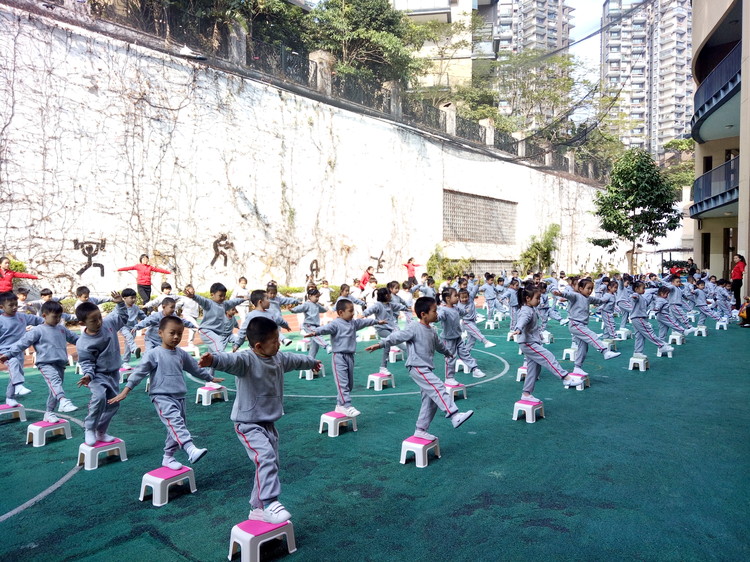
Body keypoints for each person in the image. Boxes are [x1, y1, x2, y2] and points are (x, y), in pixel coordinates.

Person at [199, 316, 321, 524]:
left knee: (270, 463)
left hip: (268, 424)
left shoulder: (278, 358)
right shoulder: (246, 361)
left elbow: (295, 359)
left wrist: (311, 363)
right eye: (274, 341)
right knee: (265, 458)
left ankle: (258, 508)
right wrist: (213, 361)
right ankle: (270, 502)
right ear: (258, 346)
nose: (278, 344)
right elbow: (229, 360)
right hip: (248, 424)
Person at [108, 316, 223, 469]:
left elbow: (195, 368)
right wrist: (125, 391)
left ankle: (168, 457)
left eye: (179, 333)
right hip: (161, 396)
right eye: (172, 333)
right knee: (175, 422)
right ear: (160, 333)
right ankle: (190, 448)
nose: (176, 337)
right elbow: (138, 373)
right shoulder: (153, 354)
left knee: (175, 427)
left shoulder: (181, 353)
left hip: (179, 396)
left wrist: (210, 378)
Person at [365, 297, 473, 441]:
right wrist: (380, 344)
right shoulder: (414, 327)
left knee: (430, 401)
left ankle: (420, 429)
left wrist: (447, 352)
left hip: (426, 368)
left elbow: (439, 345)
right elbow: (397, 337)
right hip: (417, 366)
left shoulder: (432, 330)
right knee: (438, 387)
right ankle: (454, 415)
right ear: (423, 314)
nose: (437, 314)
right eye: (434, 311)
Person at [0, 300, 79, 418]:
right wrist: (9, 354)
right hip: (45, 363)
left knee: (54, 388)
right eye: (55, 317)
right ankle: (63, 400)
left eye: (59, 317)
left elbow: (76, 339)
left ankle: (49, 413)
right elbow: (22, 343)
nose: (58, 319)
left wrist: (90, 342)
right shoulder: (37, 330)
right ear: (44, 315)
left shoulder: (62, 329)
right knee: (55, 382)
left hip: (60, 363)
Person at [307, 299, 385, 417]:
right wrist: (315, 332)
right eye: (351, 311)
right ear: (341, 312)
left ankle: (340, 405)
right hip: (339, 357)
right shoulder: (335, 324)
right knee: (342, 384)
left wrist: (377, 321)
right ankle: (347, 405)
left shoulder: (353, 323)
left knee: (349, 385)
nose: (353, 313)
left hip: (350, 357)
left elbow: (364, 322)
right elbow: (325, 328)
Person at [512, 286, 587, 402]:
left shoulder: (530, 308)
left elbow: (531, 326)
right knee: (548, 356)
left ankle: (526, 394)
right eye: (537, 298)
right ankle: (565, 378)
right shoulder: (526, 310)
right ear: (527, 298)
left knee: (534, 369)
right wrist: (518, 329)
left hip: (531, 341)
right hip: (528, 343)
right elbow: (523, 320)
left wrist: (538, 335)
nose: (539, 301)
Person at [75, 292, 129, 445]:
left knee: (114, 403)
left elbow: (123, 318)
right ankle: (89, 428)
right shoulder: (83, 343)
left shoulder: (108, 323)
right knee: (99, 398)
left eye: (99, 317)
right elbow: (86, 362)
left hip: (113, 373)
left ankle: (100, 431)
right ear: (82, 323)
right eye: (94, 320)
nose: (99, 322)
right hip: (97, 375)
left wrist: (120, 304)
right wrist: (88, 375)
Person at [553, 279, 621, 376]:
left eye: (591, 289)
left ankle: (577, 367)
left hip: (581, 325)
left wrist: (609, 297)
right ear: (581, 288)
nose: (590, 291)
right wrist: (560, 293)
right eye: (588, 288)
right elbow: (568, 295)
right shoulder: (576, 296)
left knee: (583, 347)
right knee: (591, 335)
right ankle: (605, 351)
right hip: (575, 324)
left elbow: (599, 301)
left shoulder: (588, 298)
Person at [184, 284, 246, 375]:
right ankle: (228, 362)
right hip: (207, 331)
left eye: (224, 296)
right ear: (212, 295)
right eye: (220, 296)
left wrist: (243, 299)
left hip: (216, 334)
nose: (222, 298)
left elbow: (233, 302)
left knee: (211, 356)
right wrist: (193, 296)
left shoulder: (224, 305)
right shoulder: (208, 303)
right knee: (219, 346)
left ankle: (209, 377)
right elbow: (201, 299)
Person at [0, 291, 45, 406]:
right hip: (5, 351)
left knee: (15, 374)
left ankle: (10, 398)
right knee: (14, 364)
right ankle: (19, 386)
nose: (14, 307)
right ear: (1, 307)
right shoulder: (0, 320)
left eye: (16, 304)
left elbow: (37, 319)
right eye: (11, 305)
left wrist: (48, 321)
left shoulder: (22, 316)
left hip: (19, 350)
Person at [437, 288, 485, 384]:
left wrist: (467, 310)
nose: (457, 297)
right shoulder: (444, 310)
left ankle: (475, 369)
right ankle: (449, 378)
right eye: (455, 296)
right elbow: (439, 317)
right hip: (448, 339)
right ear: (448, 298)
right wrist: (435, 317)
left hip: (458, 337)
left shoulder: (456, 308)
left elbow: (462, 312)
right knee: (450, 357)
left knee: (465, 353)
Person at [132, 297, 198, 351]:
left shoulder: (173, 316)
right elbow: (146, 321)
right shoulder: (156, 316)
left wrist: (193, 326)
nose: (173, 309)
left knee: (174, 351)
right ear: (164, 307)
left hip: (163, 341)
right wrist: (137, 327)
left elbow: (182, 321)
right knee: (149, 353)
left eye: (174, 307)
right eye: (171, 307)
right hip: (151, 340)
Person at [363, 288, 402, 375]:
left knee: (388, 345)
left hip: (390, 328)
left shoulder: (390, 305)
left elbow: (399, 306)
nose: (391, 296)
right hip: (381, 329)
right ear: (386, 295)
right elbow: (368, 311)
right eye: (389, 294)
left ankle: (383, 367)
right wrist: (362, 314)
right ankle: (383, 367)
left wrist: (407, 308)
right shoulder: (378, 305)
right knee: (393, 340)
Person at [629, 282, 674, 357]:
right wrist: (634, 296)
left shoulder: (642, 297)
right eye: (643, 288)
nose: (644, 290)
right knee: (649, 332)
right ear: (636, 289)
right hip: (639, 318)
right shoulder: (636, 295)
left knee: (640, 336)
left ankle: (637, 352)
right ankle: (661, 345)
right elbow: (634, 297)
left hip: (636, 318)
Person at [291, 289, 329, 358]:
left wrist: (327, 308)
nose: (317, 298)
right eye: (316, 297)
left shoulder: (317, 305)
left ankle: (310, 359)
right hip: (309, 324)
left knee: (315, 345)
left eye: (318, 297)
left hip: (316, 325)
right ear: (310, 296)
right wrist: (293, 310)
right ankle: (326, 346)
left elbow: (323, 310)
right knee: (317, 335)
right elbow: (300, 308)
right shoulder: (307, 304)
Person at [120, 288, 146, 367]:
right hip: (123, 327)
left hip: (133, 328)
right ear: (124, 298)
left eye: (135, 298)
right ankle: (134, 349)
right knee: (129, 338)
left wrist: (150, 320)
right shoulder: (121, 308)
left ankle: (125, 361)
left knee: (128, 344)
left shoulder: (136, 308)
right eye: (132, 298)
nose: (134, 299)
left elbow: (143, 316)